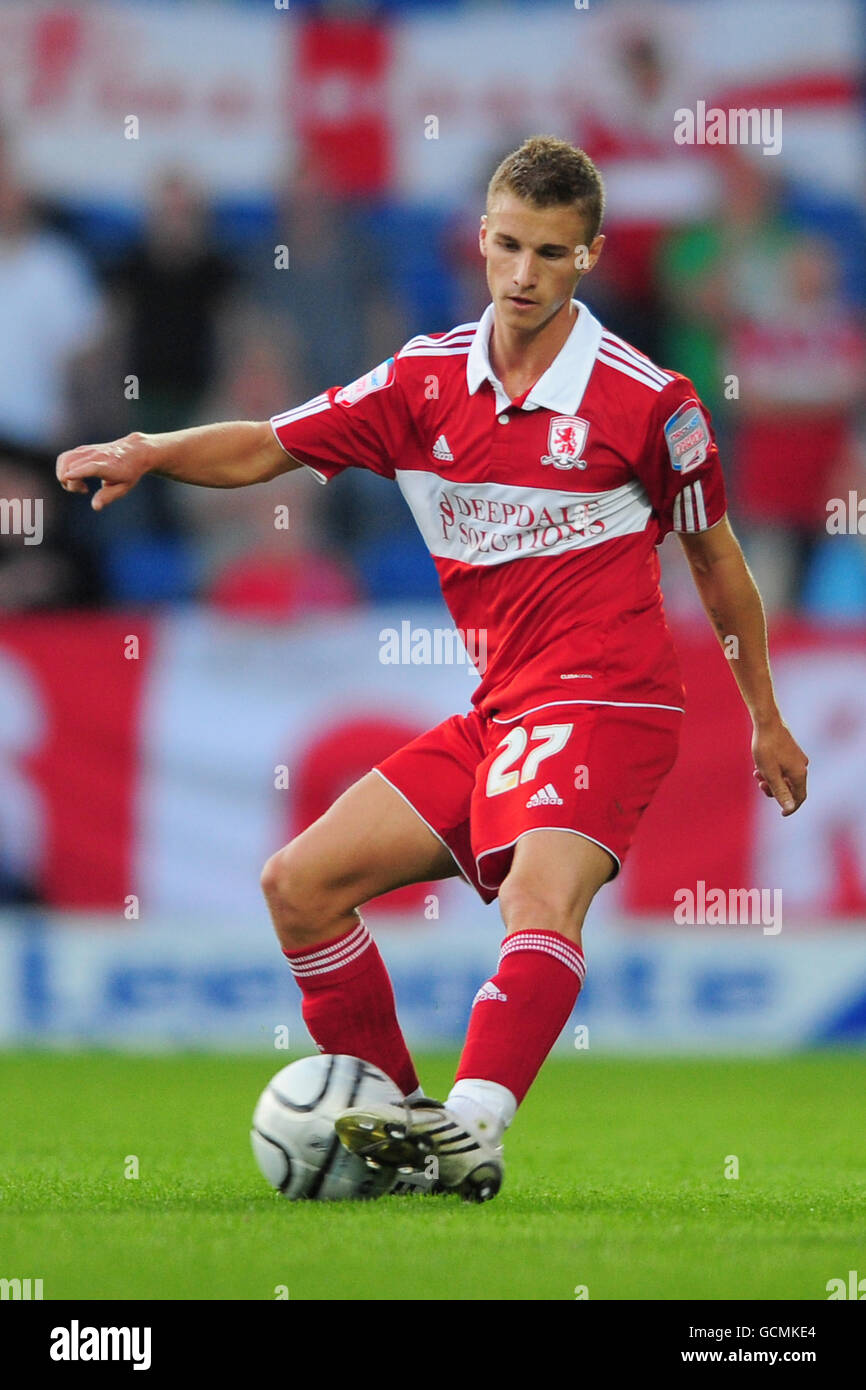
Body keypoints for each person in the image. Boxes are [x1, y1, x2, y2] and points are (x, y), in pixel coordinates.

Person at [56, 136, 808, 1203]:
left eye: (550, 253)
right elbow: (270, 443)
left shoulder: (651, 404)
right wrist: (149, 449)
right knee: (300, 887)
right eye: (505, 245)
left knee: (538, 901)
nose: (521, 274)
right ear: (480, 239)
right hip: (500, 709)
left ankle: (473, 1125)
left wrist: (764, 718)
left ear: (587, 255)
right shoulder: (422, 380)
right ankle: (405, 1133)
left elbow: (717, 562)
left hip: (608, 697)